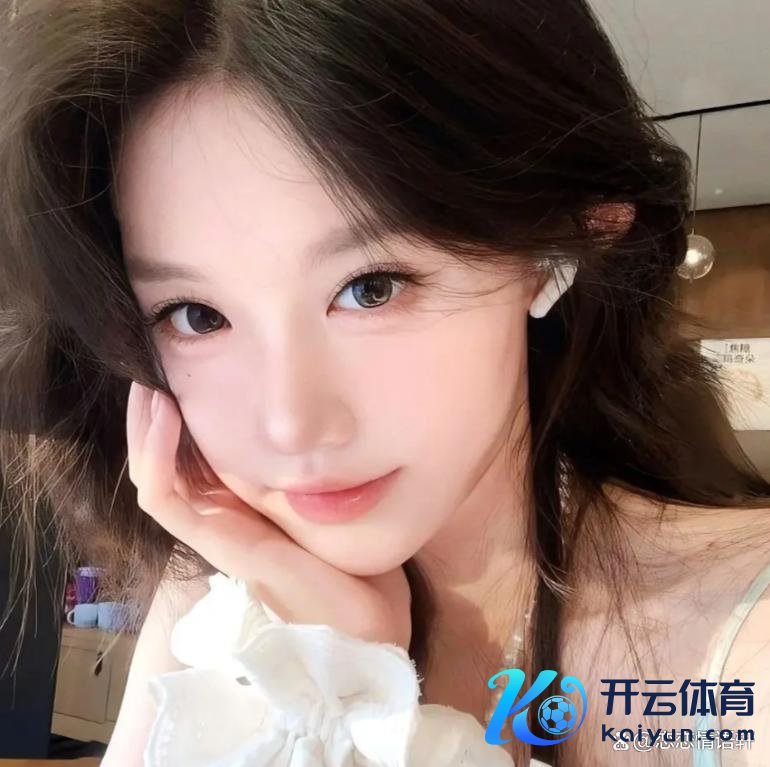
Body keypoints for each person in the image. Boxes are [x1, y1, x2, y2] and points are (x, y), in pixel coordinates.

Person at [0, 2, 768, 766]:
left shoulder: (740, 656)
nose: (290, 424)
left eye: (371, 288)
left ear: (553, 251)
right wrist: (320, 672)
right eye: (196, 315)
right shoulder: (216, 601)